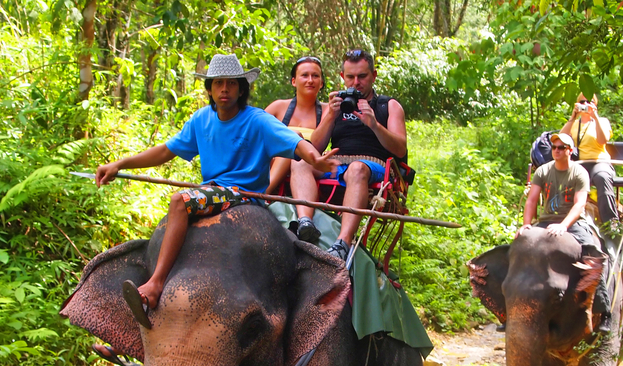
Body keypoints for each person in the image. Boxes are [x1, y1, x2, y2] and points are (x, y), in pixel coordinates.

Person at [94, 54, 339, 330]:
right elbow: (165, 150)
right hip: (212, 190)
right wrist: (120, 163)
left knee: (179, 201)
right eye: (218, 83)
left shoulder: (257, 120)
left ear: (241, 88)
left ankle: (155, 283)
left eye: (232, 84)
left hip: (242, 194)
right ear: (209, 88)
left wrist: (314, 158)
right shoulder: (201, 120)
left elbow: (295, 143)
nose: (225, 89)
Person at [289, 49, 407, 261]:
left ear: (374, 75)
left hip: (371, 165)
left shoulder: (388, 106)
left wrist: (375, 125)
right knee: (300, 161)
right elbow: (313, 147)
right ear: (342, 77)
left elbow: (400, 149)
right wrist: (331, 117)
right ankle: (306, 222)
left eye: (362, 76)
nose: (356, 83)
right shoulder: (335, 105)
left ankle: (343, 242)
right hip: (338, 163)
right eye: (350, 77)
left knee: (356, 169)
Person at [520, 132, 612, 333]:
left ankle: (604, 311)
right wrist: (526, 225)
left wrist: (563, 225)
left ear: (570, 151)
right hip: (545, 221)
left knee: (593, 254)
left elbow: (580, 204)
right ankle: (508, 311)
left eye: (561, 148)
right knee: (518, 249)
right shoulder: (543, 171)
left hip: (572, 223)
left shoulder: (579, 173)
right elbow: (532, 199)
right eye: (554, 148)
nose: (557, 151)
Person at [264, 56, 328, 204]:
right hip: (272, 161)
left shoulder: (328, 110)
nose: (310, 80)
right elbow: (254, 133)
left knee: (293, 140)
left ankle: (262, 194)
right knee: (292, 138)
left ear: (321, 83)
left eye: (315, 76)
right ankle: (262, 192)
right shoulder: (278, 107)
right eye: (304, 75)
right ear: (294, 81)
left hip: (308, 164)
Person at [560, 93, 618, 225]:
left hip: (599, 162)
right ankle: (562, 216)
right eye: (582, 102)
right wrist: (573, 117)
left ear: (595, 104)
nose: (586, 104)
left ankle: (610, 223)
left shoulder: (602, 121)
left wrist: (595, 117)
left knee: (602, 177)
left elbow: (603, 140)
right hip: (580, 163)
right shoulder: (574, 123)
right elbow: (561, 140)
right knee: (566, 177)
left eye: (589, 102)